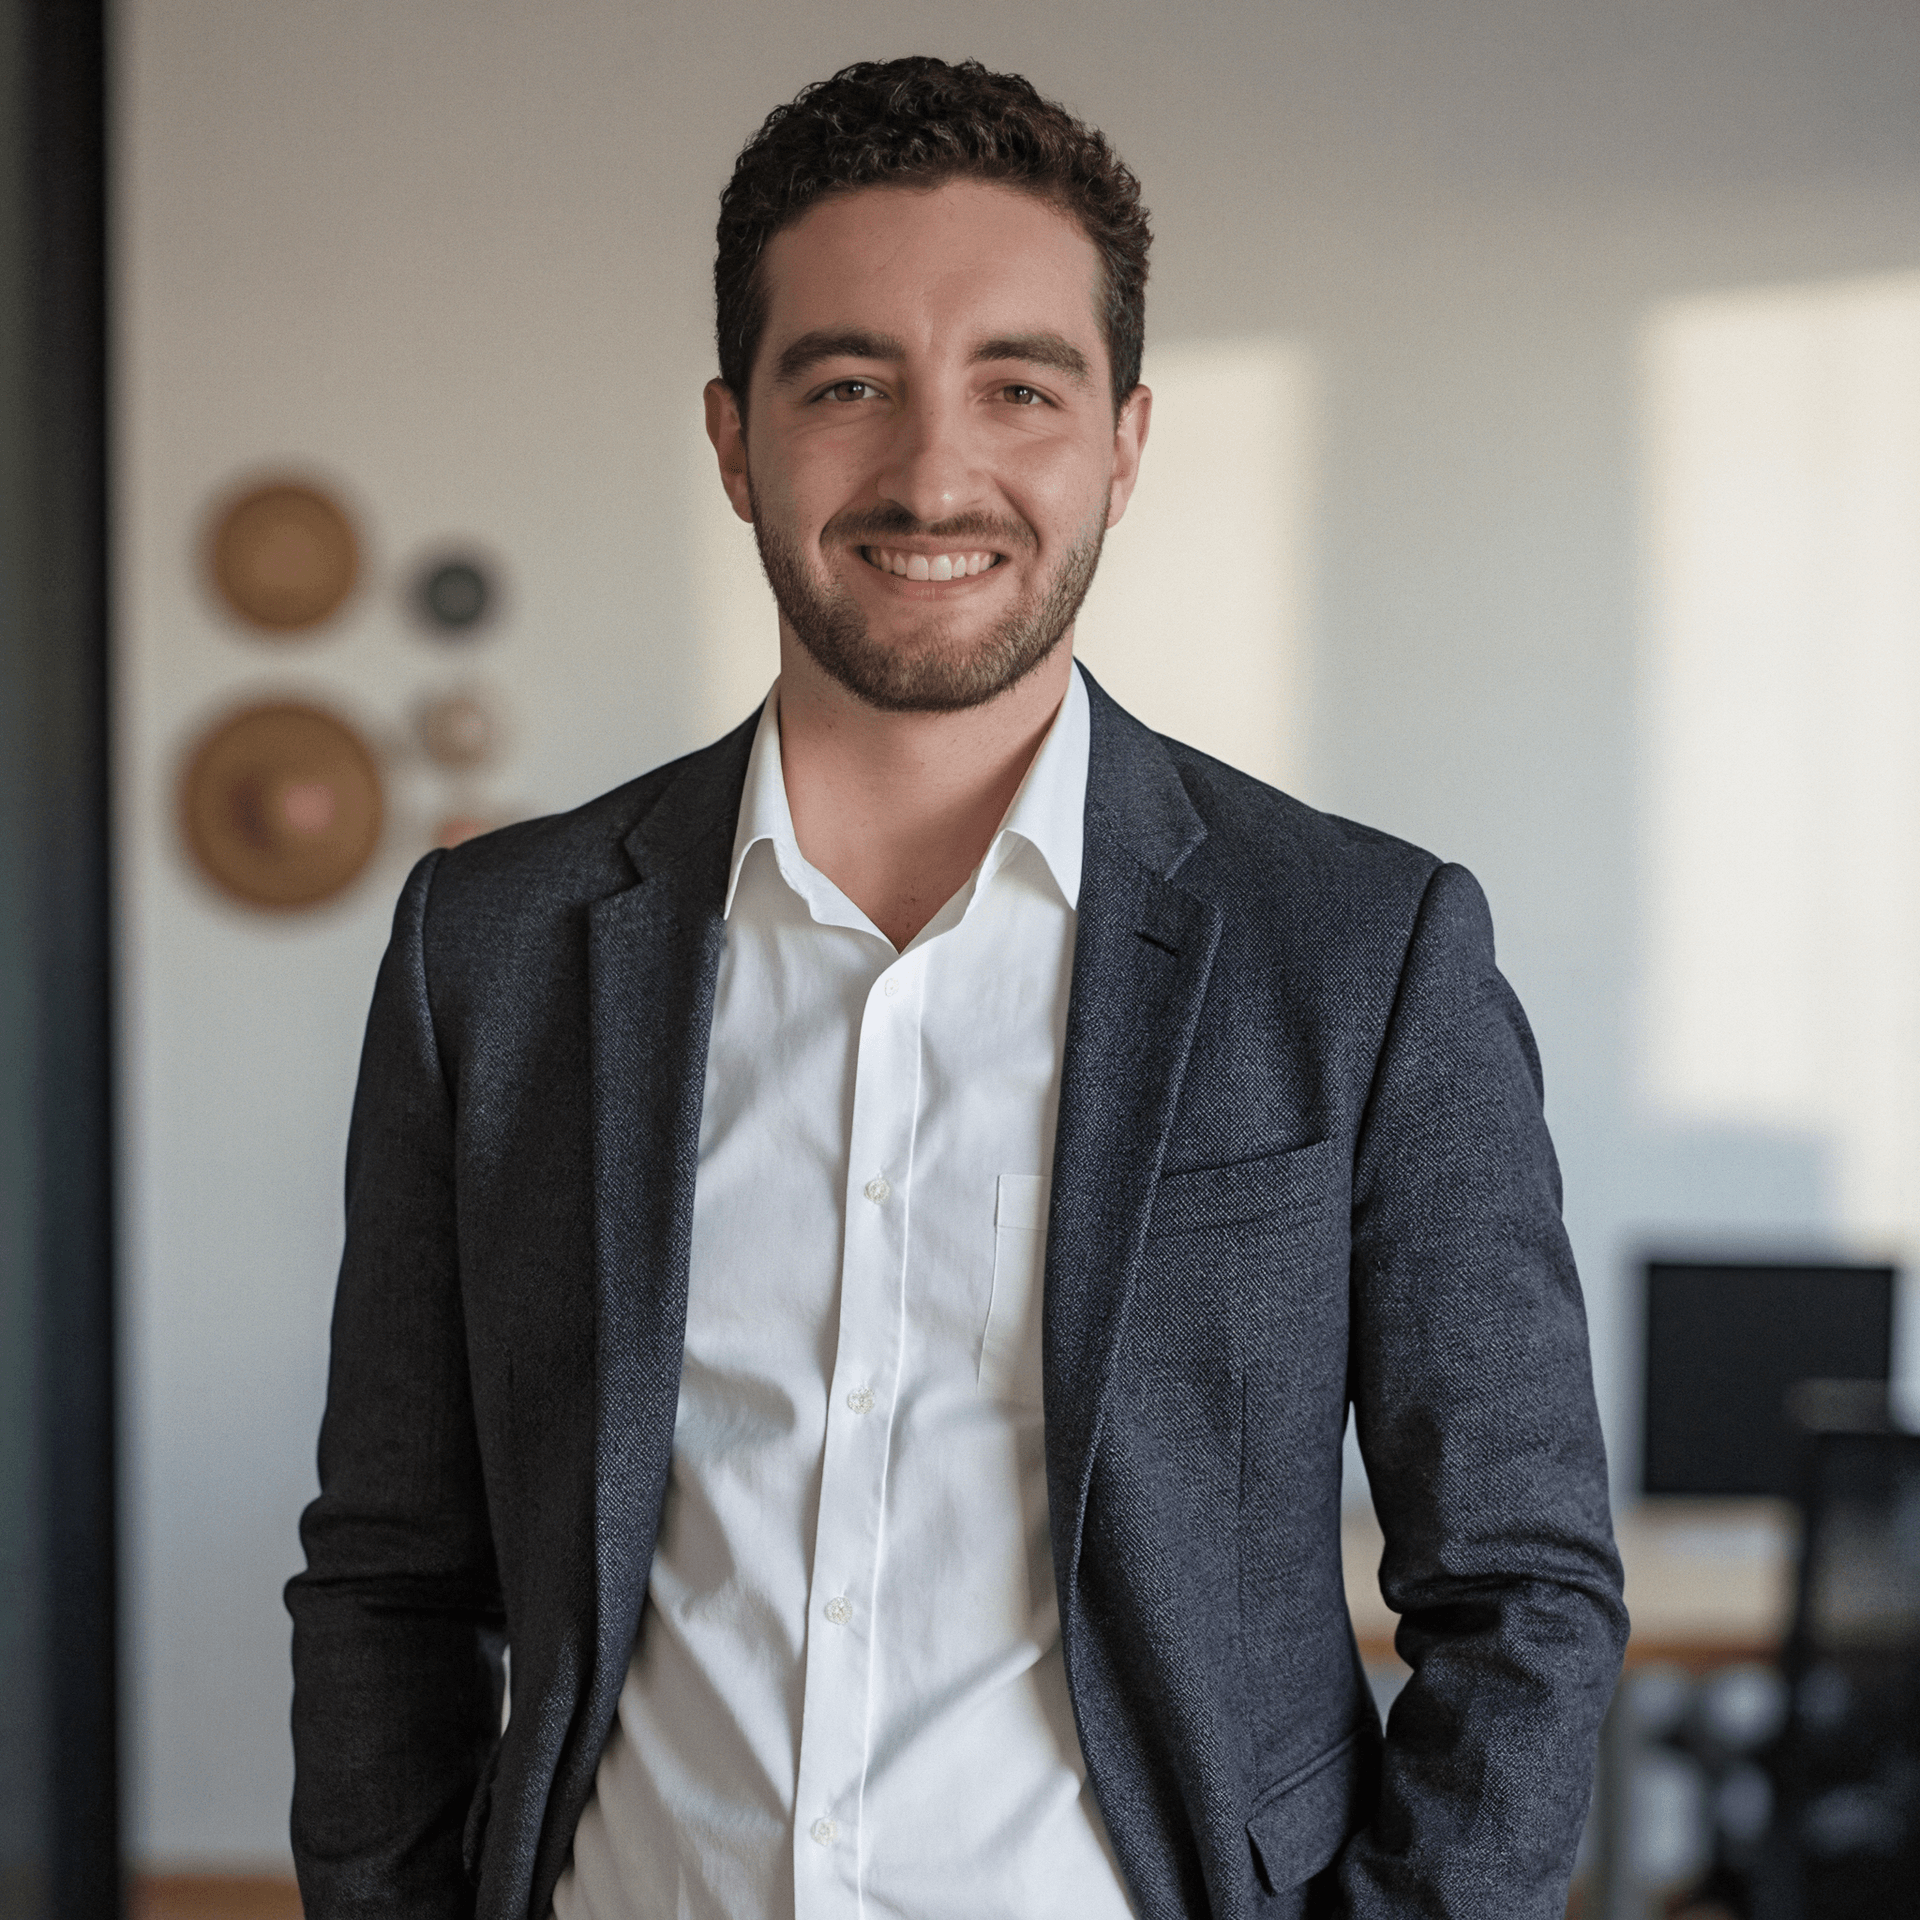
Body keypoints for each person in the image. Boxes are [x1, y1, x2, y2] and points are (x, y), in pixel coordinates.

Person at [287, 55, 1627, 1920]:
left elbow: (1523, 1592)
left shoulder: (1362, 954)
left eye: (1019, 385)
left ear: (1127, 442)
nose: (934, 472)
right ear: (734, 438)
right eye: (847, 385)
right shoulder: (491, 953)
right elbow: (388, 1574)